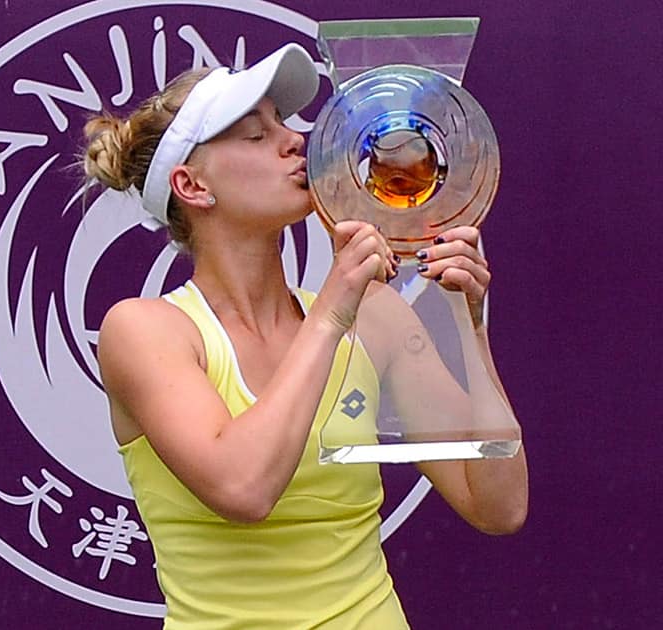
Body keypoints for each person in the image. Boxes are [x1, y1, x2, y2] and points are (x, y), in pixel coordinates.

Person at [83, 43, 528, 629]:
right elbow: (245, 489)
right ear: (192, 185)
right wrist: (332, 312)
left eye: (286, 124)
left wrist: (469, 322)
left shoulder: (377, 317)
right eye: (254, 135)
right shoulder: (143, 331)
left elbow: (498, 505)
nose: (295, 140)